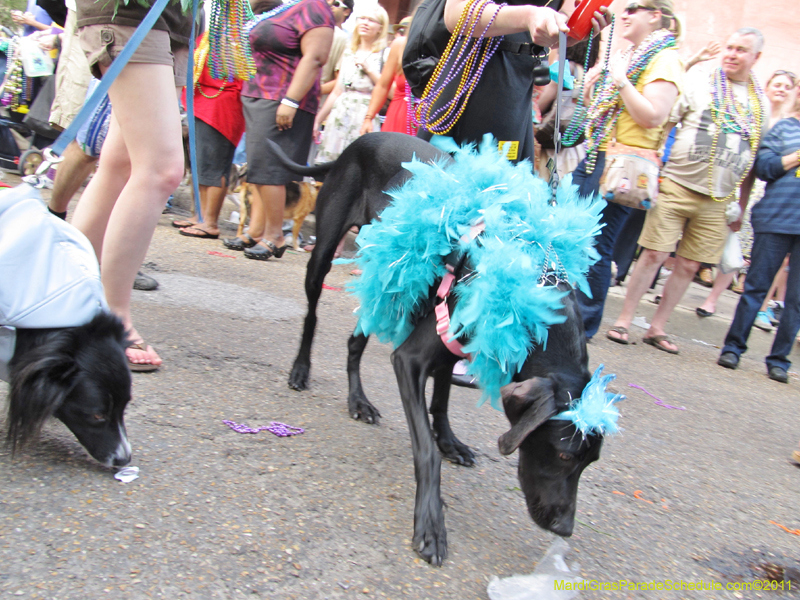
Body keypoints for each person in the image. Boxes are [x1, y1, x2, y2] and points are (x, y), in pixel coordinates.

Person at [605, 28, 769, 354]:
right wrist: (655, 169)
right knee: (653, 254)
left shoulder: (759, 103)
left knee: (690, 265)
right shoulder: (701, 81)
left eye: (741, 50)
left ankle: (657, 327)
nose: (732, 53)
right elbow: (665, 122)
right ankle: (624, 319)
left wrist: (741, 204)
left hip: (719, 200)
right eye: (730, 46)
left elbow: (752, 158)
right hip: (676, 184)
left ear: (756, 58)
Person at [70, 0, 193, 370]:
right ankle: (110, 316)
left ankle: (64, 293)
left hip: (171, 18)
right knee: (161, 169)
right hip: (132, 12)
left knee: (122, 164)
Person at [569, 0, 683, 341]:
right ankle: (564, 318)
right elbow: (600, 111)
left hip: (624, 165)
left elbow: (652, 116)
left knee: (596, 246)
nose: (625, 14)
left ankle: (582, 329)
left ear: (655, 15)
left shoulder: (666, 58)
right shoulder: (630, 55)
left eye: (635, 8)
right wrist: (591, 86)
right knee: (574, 239)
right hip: (596, 155)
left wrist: (619, 81)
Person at [223, 0, 335, 260]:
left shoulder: (313, 7)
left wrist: (291, 100)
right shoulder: (282, 7)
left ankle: (275, 236)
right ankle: (257, 230)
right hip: (260, 95)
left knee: (269, 169)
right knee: (259, 168)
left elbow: (316, 57)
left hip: (282, 97)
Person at [697, 69, 797, 320]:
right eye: (777, 84)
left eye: (787, 86)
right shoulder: (757, 113)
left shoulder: (790, 124)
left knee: (741, 249)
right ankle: (704, 274)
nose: (781, 89)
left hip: (770, 195)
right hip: (739, 179)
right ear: (768, 85)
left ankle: (715, 299)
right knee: (723, 238)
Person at [717, 97, 800, 383]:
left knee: (796, 300)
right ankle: (733, 348)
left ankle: (779, 361)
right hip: (776, 220)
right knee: (755, 289)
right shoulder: (783, 129)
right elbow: (764, 168)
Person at [173, 30, 246, 240]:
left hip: (220, 105)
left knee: (213, 167)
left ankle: (210, 222)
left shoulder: (239, 34)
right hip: (203, 100)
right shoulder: (216, 30)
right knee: (201, 165)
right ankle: (199, 216)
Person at [314, 4, 389, 162]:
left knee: (357, 163)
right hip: (341, 112)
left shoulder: (385, 54)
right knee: (331, 164)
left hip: (365, 113)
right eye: (362, 18)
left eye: (371, 20)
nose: (365, 23)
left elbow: (388, 89)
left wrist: (369, 69)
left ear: (380, 27)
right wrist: (319, 119)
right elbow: (337, 90)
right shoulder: (349, 51)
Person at [359, 16, 415, 137]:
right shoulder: (400, 45)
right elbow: (383, 85)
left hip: (425, 122)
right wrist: (369, 117)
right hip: (396, 118)